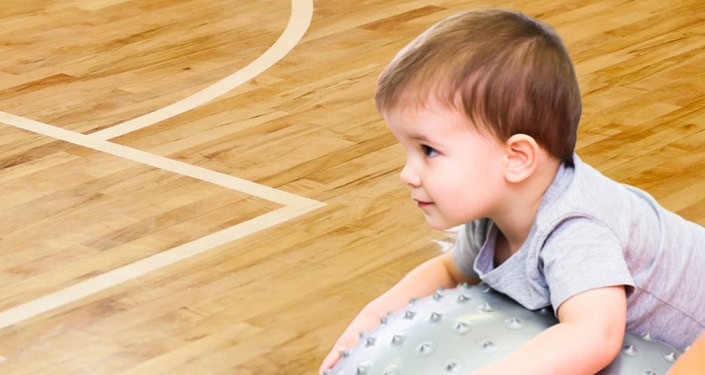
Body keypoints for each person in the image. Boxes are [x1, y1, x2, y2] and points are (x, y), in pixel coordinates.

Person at [319, 8, 705, 374]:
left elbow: (593, 335)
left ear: (517, 158)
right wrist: (370, 323)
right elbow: (450, 270)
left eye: (429, 151)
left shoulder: (576, 229)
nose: (407, 174)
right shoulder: (495, 216)